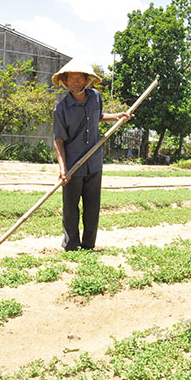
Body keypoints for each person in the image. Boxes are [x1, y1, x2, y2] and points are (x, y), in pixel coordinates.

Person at [52, 59, 131, 251]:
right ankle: (71, 246)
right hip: (73, 165)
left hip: (94, 162)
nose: (76, 82)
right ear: (65, 81)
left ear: (87, 80)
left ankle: (88, 246)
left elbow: (98, 116)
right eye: (71, 79)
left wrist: (117, 116)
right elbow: (58, 141)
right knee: (71, 209)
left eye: (79, 78)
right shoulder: (61, 109)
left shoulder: (95, 97)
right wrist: (63, 169)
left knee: (92, 207)